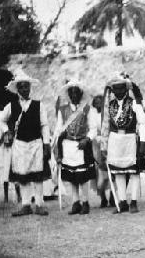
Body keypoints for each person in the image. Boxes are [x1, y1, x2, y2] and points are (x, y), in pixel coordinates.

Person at [0, 69, 51, 217]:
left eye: (26, 86)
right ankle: (26, 205)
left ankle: (39, 204)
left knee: (37, 174)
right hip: (20, 145)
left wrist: (46, 144)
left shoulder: (38, 105)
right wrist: (6, 131)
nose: (24, 89)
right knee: (23, 175)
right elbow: (1, 120)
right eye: (21, 87)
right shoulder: (11, 106)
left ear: (30, 87)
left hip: (36, 143)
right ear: (17, 89)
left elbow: (44, 125)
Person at [101, 73, 145, 214]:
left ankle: (133, 202)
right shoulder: (110, 105)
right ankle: (122, 202)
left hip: (130, 139)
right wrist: (104, 145)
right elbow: (105, 126)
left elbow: (143, 122)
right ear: (113, 90)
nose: (119, 92)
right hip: (115, 141)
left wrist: (143, 143)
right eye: (116, 89)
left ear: (126, 89)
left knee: (133, 171)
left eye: (122, 88)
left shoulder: (133, 103)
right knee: (118, 172)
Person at [55, 80, 98, 215]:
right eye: (71, 92)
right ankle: (75, 202)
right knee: (72, 176)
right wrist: (57, 146)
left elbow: (93, 128)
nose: (74, 95)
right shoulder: (62, 110)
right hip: (68, 146)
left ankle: (85, 202)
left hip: (82, 146)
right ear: (68, 94)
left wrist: (87, 139)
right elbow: (59, 128)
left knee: (83, 176)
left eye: (76, 92)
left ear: (81, 94)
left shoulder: (87, 109)